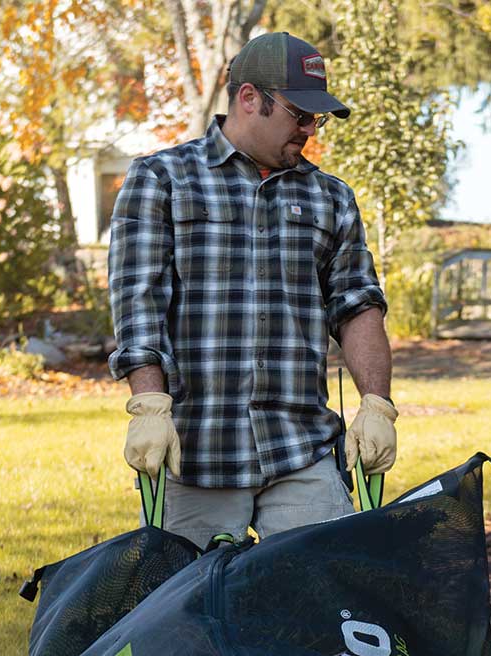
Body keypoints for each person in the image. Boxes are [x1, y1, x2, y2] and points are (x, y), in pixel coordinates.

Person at [107, 31, 396, 548]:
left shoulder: (331, 198)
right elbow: (139, 303)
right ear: (248, 98)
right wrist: (149, 405)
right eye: (299, 113)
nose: (310, 128)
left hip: (301, 451)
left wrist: (376, 404)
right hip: (196, 455)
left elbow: (357, 305)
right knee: (191, 617)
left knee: (321, 610)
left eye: (316, 117)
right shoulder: (161, 180)